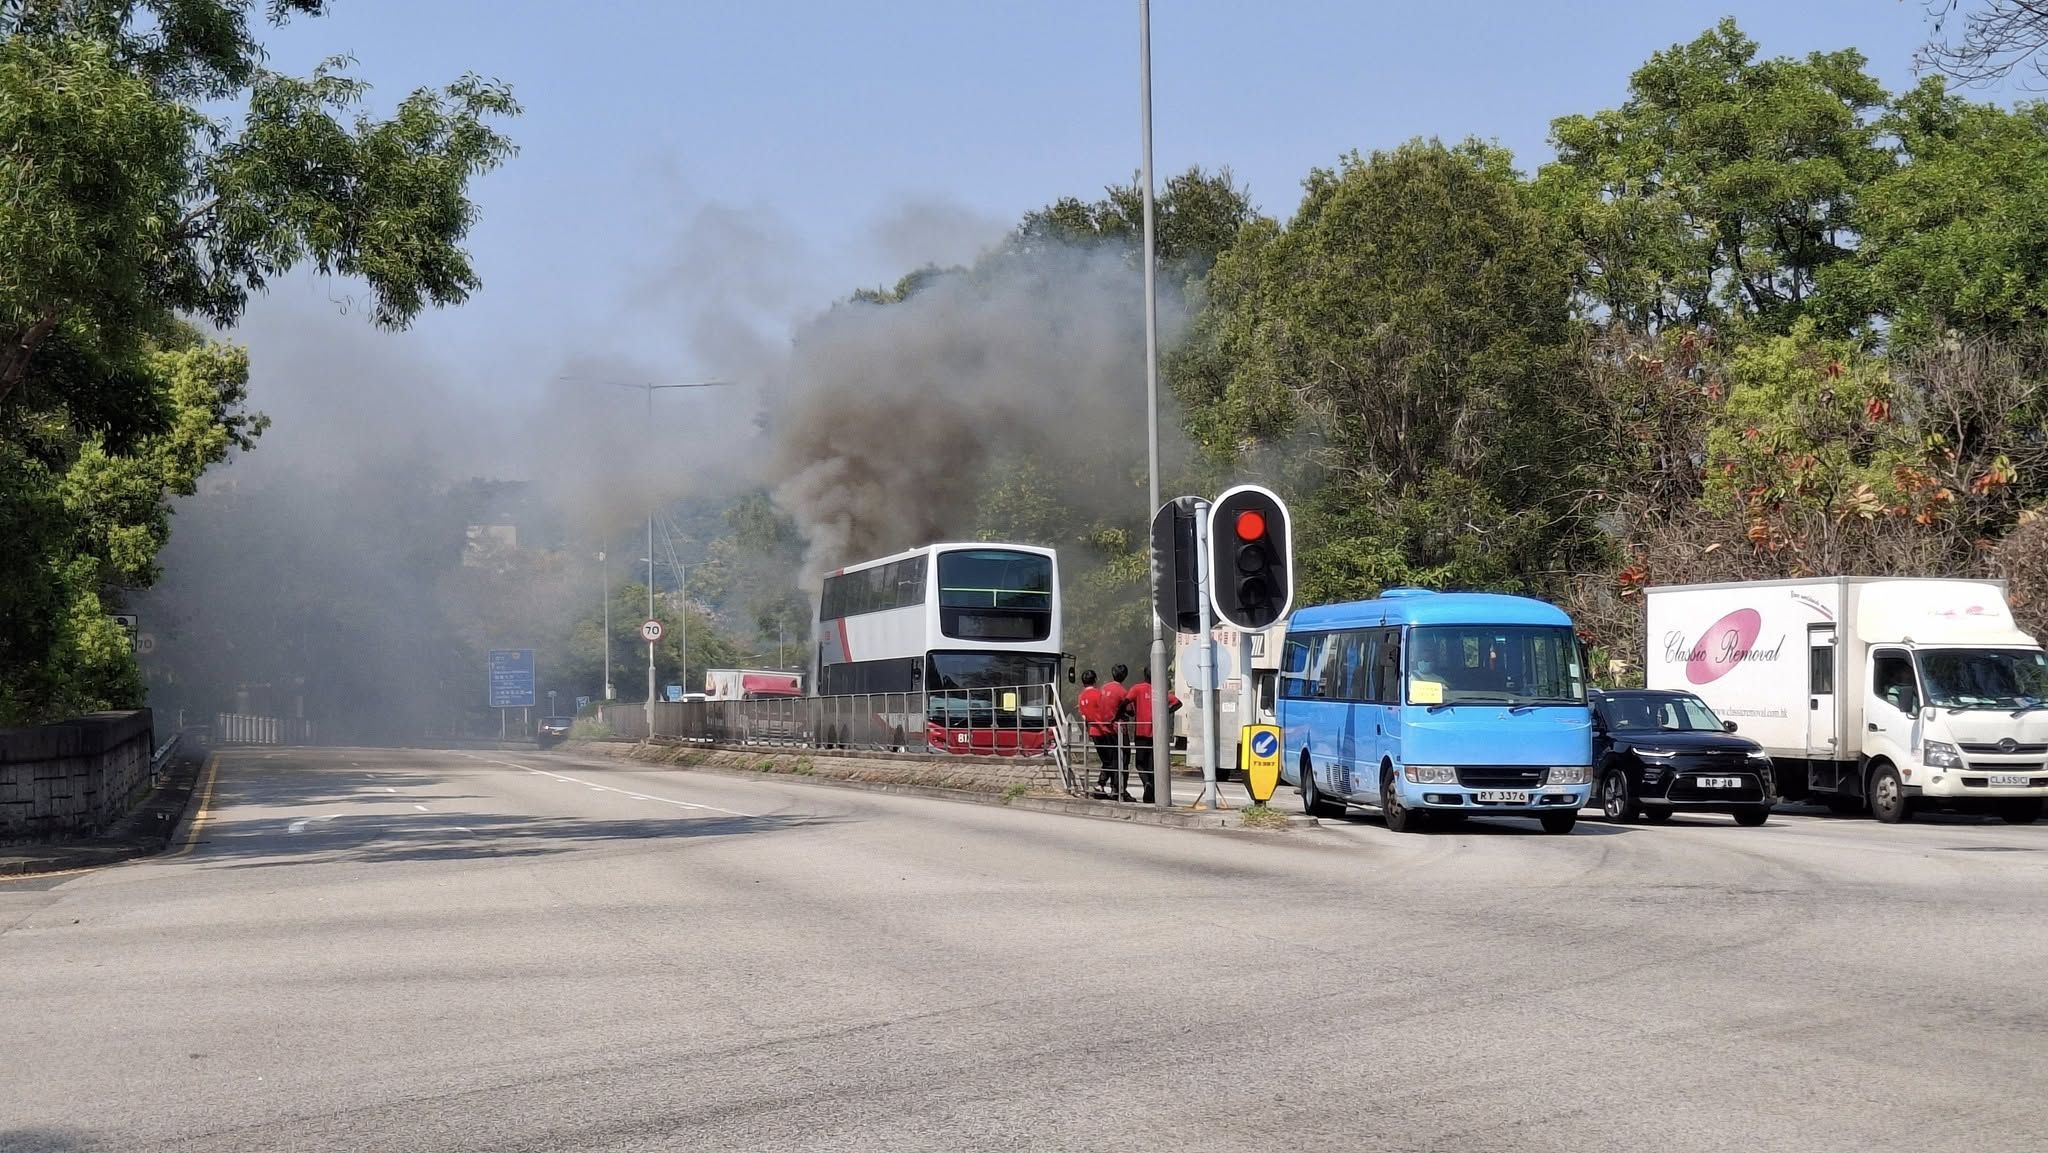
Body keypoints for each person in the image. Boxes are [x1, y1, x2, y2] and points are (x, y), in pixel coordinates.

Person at [1127, 666, 1181, 804]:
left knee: (1140, 763)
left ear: (1144, 675)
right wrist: (1164, 713)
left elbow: (1126, 701)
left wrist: (1127, 713)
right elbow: (1177, 702)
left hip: (1140, 732)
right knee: (1152, 764)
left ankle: (1146, 784)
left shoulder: (1137, 689)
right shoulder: (1160, 691)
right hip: (1156, 734)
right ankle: (1151, 791)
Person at [1076, 669, 1123, 799]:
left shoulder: (1081, 697)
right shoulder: (1098, 694)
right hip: (1104, 730)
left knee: (1106, 759)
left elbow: (1084, 715)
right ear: (1095, 679)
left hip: (1093, 730)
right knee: (1112, 760)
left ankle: (1103, 786)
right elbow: (1104, 710)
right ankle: (1104, 785)